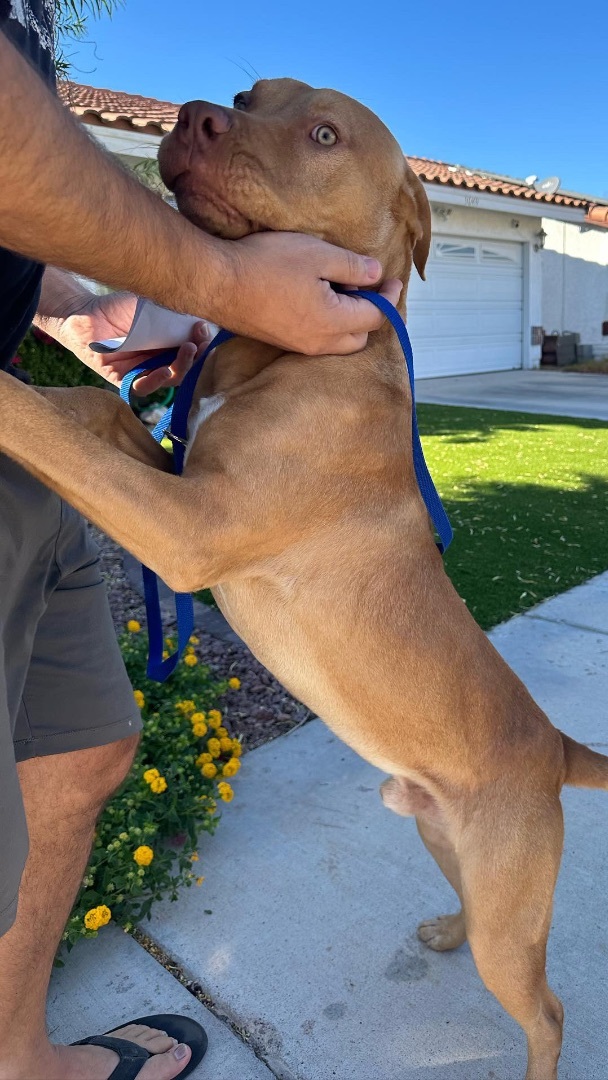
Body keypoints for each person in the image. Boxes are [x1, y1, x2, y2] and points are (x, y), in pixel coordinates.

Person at [0, 7, 401, 1079]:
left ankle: (16, 1056)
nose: (218, 120)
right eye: (249, 107)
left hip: (34, 472)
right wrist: (213, 282)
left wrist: (80, 309)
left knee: (81, 753)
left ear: (397, 233)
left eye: (317, 134)